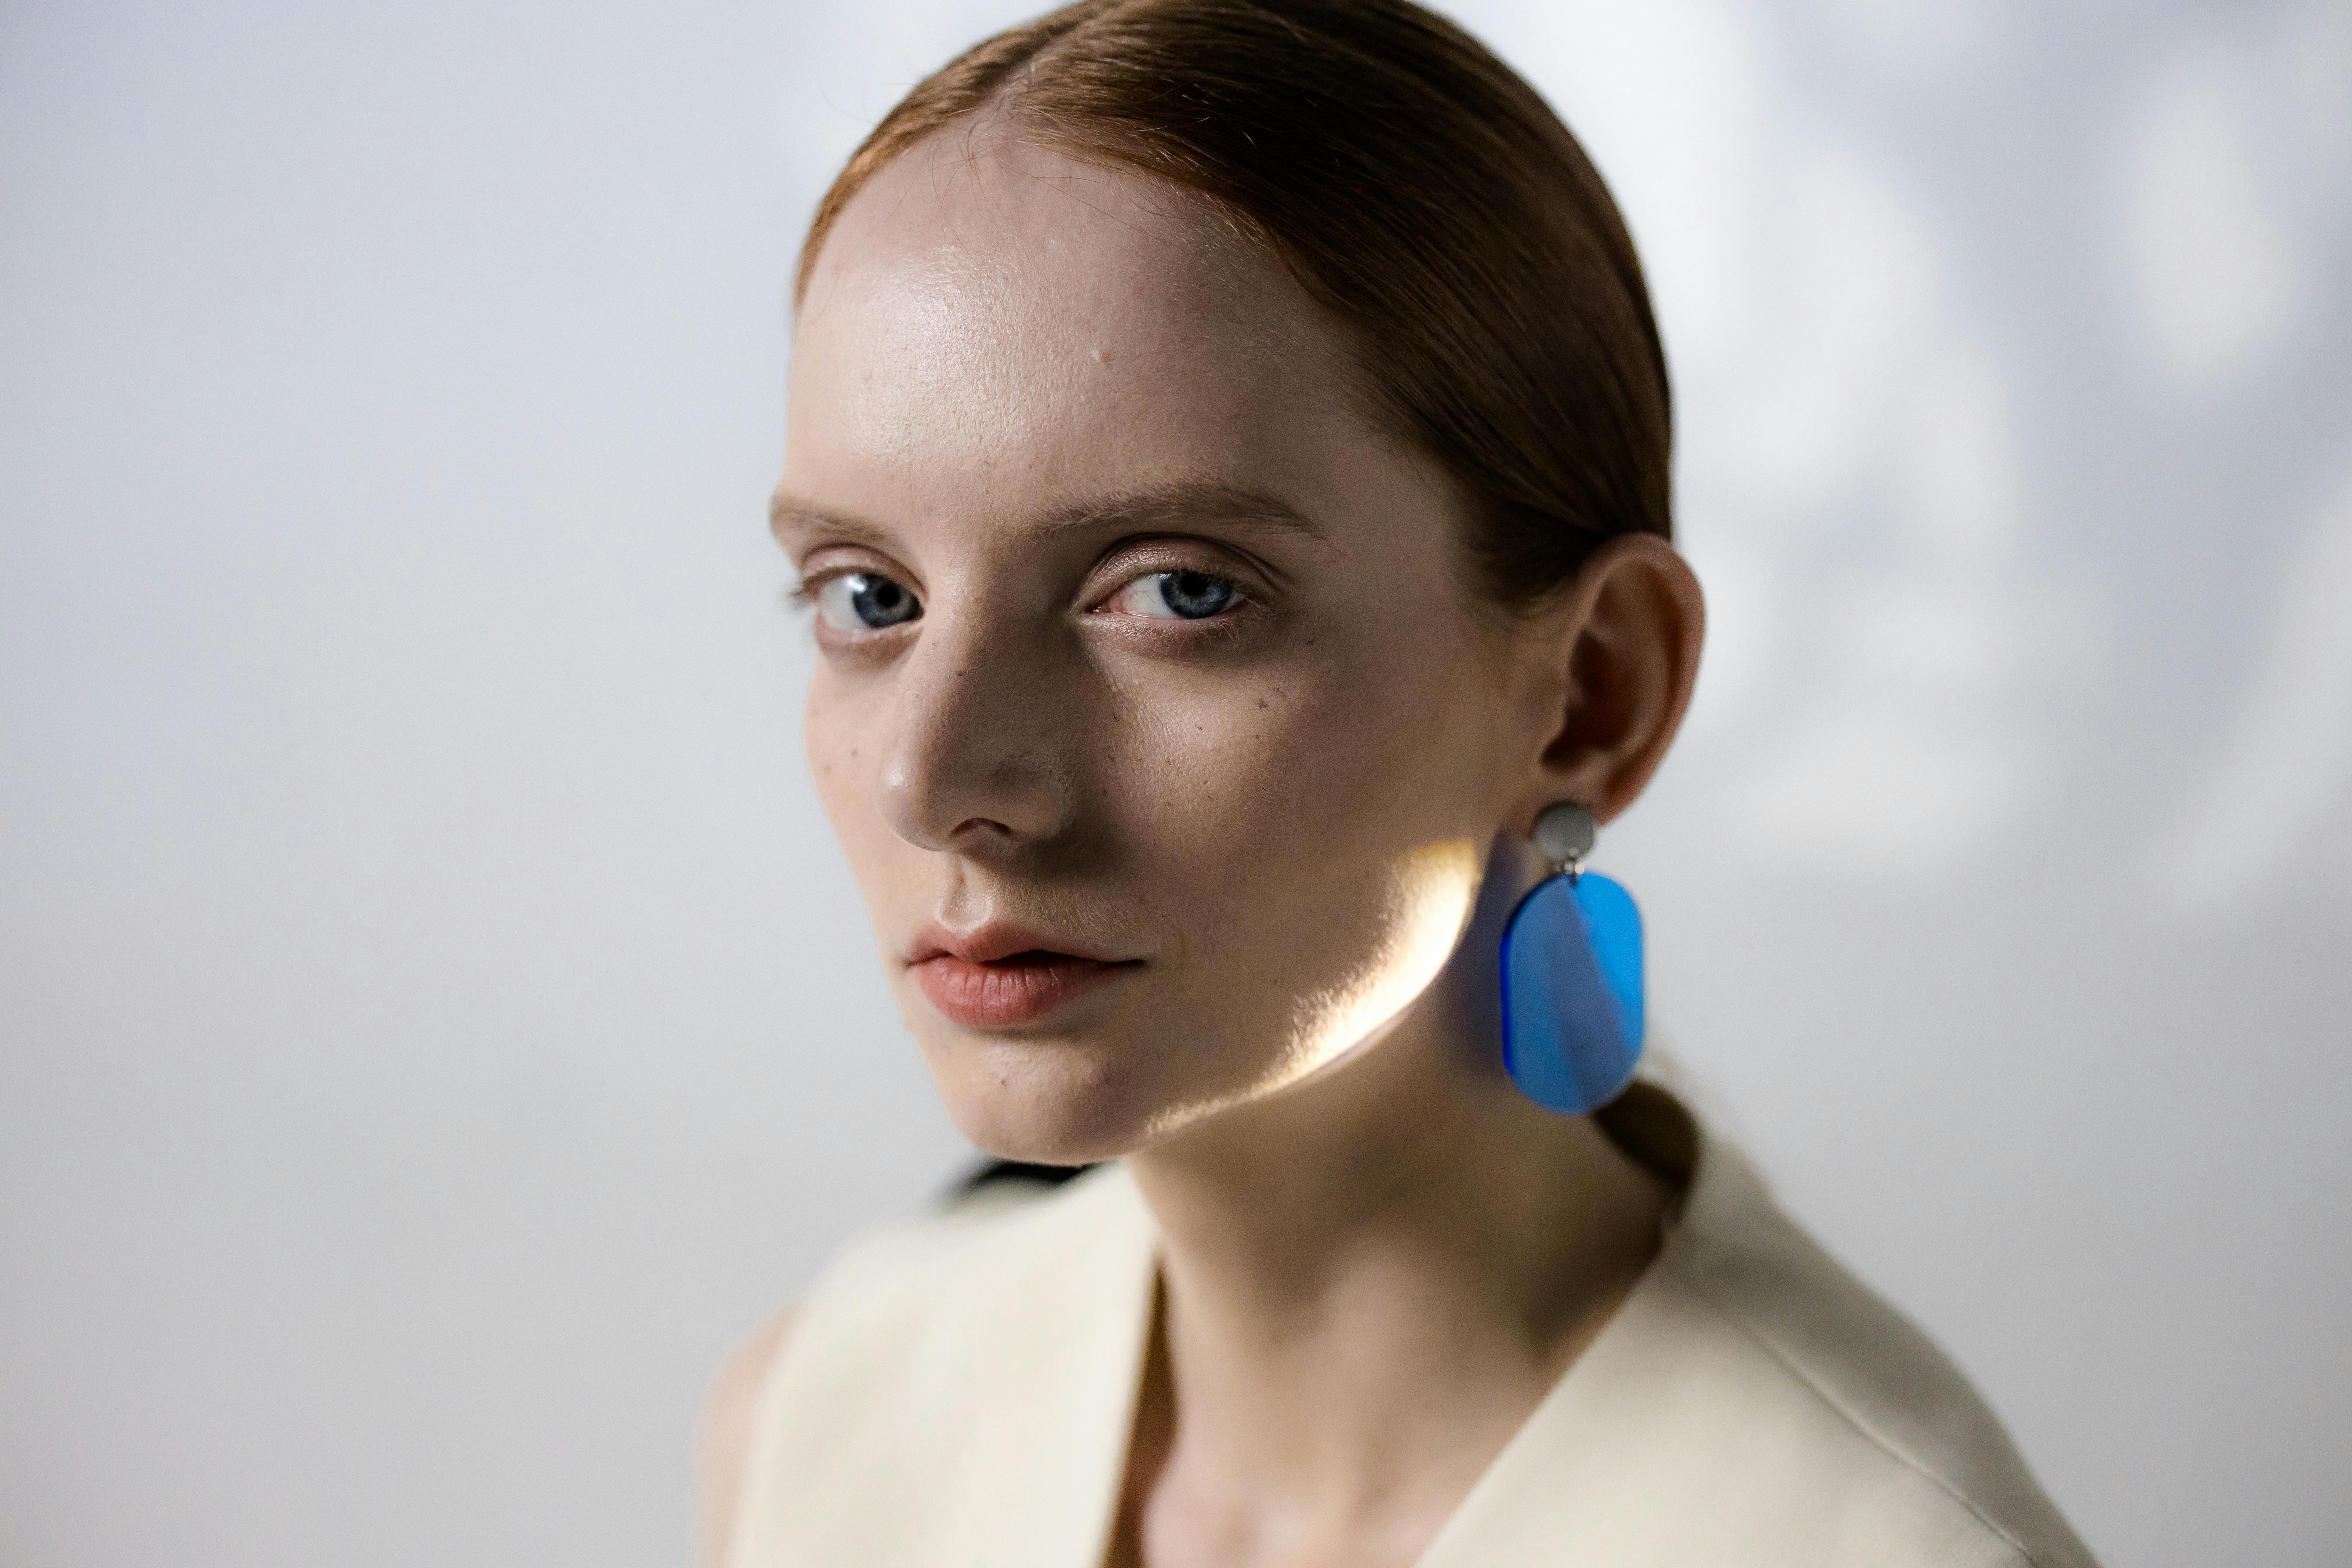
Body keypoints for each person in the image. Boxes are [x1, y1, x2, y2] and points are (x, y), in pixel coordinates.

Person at [702, 2, 2098, 1563]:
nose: (930, 775)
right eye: (869, 596)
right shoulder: (824, 1433)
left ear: (1592, 693)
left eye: (1177, 592)